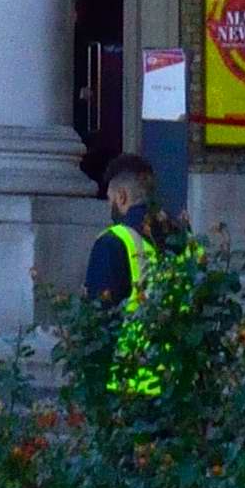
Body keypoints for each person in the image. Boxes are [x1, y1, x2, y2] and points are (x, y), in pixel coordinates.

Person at [82, 148, 170, 396]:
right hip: (178, 382)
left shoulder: (113, 242)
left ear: (121, 197)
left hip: (130, 382)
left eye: (109, 198)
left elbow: (98, 319)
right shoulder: (183, 237)